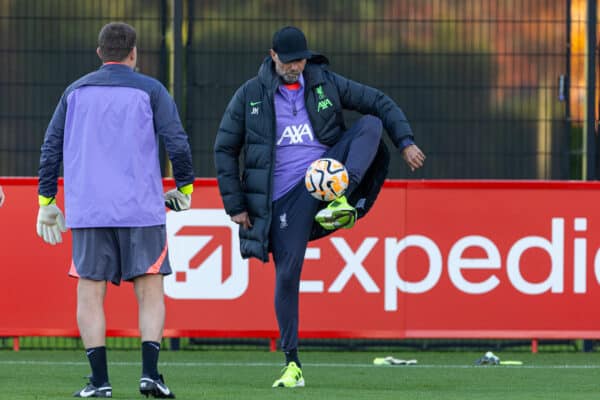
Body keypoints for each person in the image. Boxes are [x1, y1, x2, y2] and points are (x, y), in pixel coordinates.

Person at [214, 26, 425, 388]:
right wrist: (235, 205)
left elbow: (379, 102)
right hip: (283, 200)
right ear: (273, 56)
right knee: (287, 274)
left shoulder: (324, 82)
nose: (297, 67)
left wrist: (404, 141)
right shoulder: (250, 95)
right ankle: (292, 363)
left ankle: (342, 195)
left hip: (326, 177)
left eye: (301, 60)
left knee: (370, 125)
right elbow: (224, 149)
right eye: (290, 60)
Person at [37, 22, 194, 398]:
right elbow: (177, 141)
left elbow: (50, 147)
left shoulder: (75, 91)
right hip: (142, 209)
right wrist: (184, 187)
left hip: (89, 211)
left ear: (99, 54)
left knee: (90, 295)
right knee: (151, 292)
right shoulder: (151, 89)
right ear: (134, 53)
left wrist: (46, 202)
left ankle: (99, 382)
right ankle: (150, 376)